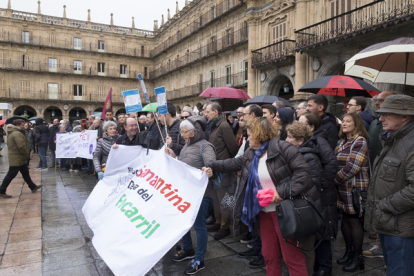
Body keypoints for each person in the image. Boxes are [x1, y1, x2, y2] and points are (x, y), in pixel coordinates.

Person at [203, 117, 311, 275]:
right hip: (264, 213)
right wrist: (211, 165)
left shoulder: (283, 148)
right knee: (269, 255)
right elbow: (232, 163)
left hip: (285, 213)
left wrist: (281, 192)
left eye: (249, 135)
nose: (247, 138)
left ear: (259, 135)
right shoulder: (251, 153)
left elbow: (303, 173)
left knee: (291, 257)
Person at [364, 94, 414, 275]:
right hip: (389, 224)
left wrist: (384, 205)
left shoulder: (411, 144)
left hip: (401, 229)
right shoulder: (393, 139)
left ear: (405, 116)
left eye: (387, 114)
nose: (380, 118)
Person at [165, 116, 216, 275]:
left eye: (184, 132)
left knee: (199, 225)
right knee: (184, 221)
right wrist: (174, 157)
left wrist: (208, 168)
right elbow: (185, 164)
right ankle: (188, 249)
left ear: (195, 131)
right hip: (186, 191)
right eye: (181, 131)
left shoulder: (206, 146)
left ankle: (199, 259)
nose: (182, 135)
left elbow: (211, 163)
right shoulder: (186, 146)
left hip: (201, 194)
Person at [299, 111, 339, 276]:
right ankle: (317, 265)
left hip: (322, 193)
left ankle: (325, 267)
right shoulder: (311, 139)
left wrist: (322, 184)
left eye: (301, 122)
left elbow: (331, 164)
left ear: (311, 126)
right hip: (316, 192)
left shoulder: (320, 140)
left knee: (323, 231)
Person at [285, 121, 322, 276]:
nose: (286, 140)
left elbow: (310, 182)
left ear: (300, 140)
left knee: (306, 248)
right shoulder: (295, 153)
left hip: (306, 207)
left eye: (290, 137)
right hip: (298, 205)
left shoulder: (309, 157)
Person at [334, 113, 369, 273]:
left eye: (349, 121)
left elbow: (352, 167)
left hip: (354, 188)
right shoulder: (342, 141)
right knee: (345, 221)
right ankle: (348, 252)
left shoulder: (360, 141)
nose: (345, 123)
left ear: (357, 124)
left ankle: (357, 257)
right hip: (342, 188)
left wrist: (334, 180)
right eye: (344, 121)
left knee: (354, 221)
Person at [362, 91, 395, 259]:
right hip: (375, 169)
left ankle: (386, 250)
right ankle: (380, 246)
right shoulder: (376, 122)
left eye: (380, 100)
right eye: (376, 100)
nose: (376, 103)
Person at [205, 102, 239, 240]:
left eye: (208, 111)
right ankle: (219, 222)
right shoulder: (214, 125)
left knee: (225, 199)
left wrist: (230, 166)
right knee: (216, 199)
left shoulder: (224, 126)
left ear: (216, 112)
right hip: (214, 169)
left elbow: (233, 149)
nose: (205, 114)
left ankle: (225, 227)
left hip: (223, 170)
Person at [0, 119, 42, 198]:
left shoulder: (13, 132)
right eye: (22, 125)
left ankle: (32, 187)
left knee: (25, 173)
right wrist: (26, 154)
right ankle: (1, 191)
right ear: (18, 125)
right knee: (11, 175)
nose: (24, 126)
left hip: (18, 157)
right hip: (17, 157)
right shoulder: (16, 133)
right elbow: (21, 146)